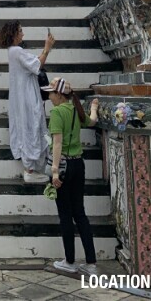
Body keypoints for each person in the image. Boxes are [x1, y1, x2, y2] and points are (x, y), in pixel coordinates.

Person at [42, 76, 99, 275]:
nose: (49, 96)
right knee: (80, 213)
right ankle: (91, 262)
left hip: (64, 165)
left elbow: (57, 143)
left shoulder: (57, 112)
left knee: (65, 215)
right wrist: (94, 106)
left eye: (50, 92)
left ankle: (69, 260)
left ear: (58, 95)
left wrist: (55, 171)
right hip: (78, 164)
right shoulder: (75, 109)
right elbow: (91, 122)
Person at [0, 22, 55, 183]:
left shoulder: (14, 52)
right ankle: (30, 168)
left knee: (31, 126)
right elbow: (37, 64)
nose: (23, 34)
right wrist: (47, 48)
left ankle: (35, 166)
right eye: (20, 31)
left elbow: (32, 62)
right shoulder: (16, 51)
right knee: (32, 125)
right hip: (27, 97)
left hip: (23, 95)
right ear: (14, 34)